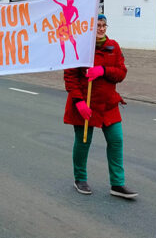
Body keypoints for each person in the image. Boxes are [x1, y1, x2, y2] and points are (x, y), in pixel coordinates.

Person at [63, 14, 136, 199]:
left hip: (108, 104)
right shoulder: (80, 46)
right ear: (90, 27)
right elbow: (70, 78)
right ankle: (80, 178)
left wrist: (103, 70)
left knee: (116, 140)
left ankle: (117, 184)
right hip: (86, 104)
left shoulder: (114, 46)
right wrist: (79, 102)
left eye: (104, 25)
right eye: (98, 25)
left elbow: (121, 73)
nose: (101, 28)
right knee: (83, 142)